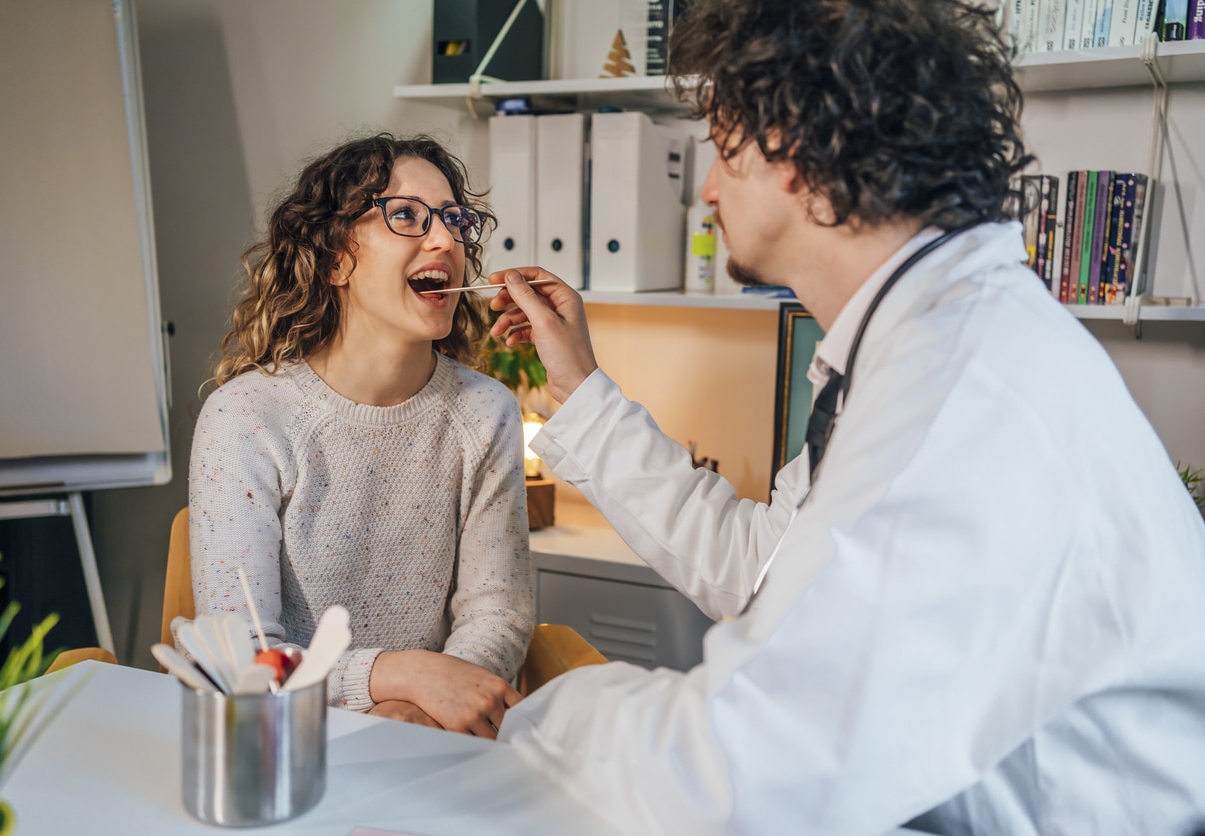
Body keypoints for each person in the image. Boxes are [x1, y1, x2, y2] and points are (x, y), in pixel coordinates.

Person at [487, 0, 1205, 832]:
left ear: (795, 149)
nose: (711, 188)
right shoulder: (919, 343)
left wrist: (539, 709)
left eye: (721, 148)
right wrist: (580, 385)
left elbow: (740, 778)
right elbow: (763, 569)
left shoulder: (958, 393)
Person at [186, 133, 533, 737]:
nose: (446, 239)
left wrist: (420, 709)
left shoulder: (486, 414)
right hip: (283, 749)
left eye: (455, 220)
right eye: (405, 216)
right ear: (334, 260)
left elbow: (497, 614)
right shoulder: (244, 419)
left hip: (433, 741)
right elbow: (242, 657)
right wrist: (399, 680)